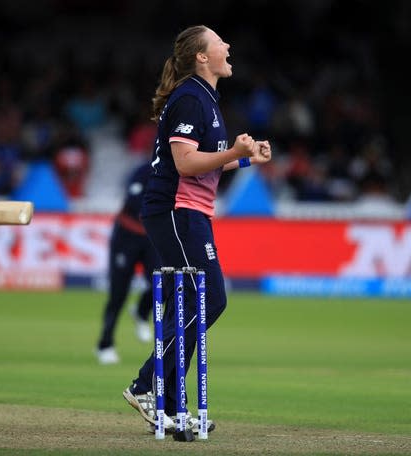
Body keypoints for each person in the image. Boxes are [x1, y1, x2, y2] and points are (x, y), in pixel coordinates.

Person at [122, 25, 272, 435]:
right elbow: (185, 165)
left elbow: (203, 161)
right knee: (211, 299)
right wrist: (236, 151)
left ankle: (169, 405)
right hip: (175, 209)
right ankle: (145, 384)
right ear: (201, 56)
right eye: (220, 41)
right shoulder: (190, 98)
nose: (228, 45)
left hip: (188, 211)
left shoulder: (204, 99)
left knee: (185, 307)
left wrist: (243, 159)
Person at [96, 161, 160, 365]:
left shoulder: (179, 172)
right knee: (118, 293)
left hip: (152, 237)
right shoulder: (143, 171)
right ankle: (105, 344)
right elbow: (134, 202)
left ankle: (141, 311)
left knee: (162, 282)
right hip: (127, 235)